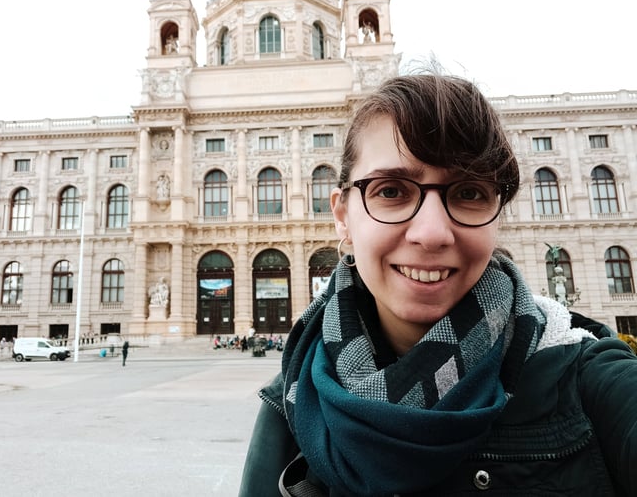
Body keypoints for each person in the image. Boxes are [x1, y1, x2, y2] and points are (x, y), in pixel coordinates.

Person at [239, 74, 637, 496]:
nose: (431, 233)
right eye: (390, 190)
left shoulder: (590, 383)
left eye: (468, 191)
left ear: (498, 212)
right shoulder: (294, 395)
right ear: (343, 214)